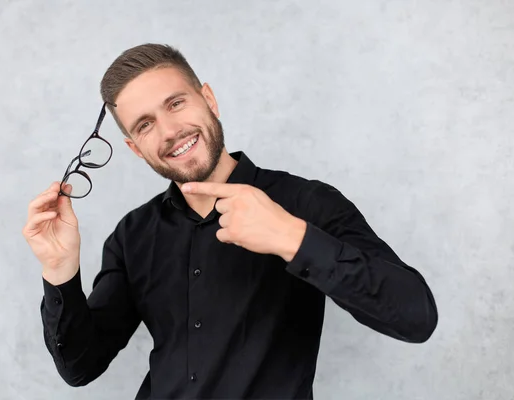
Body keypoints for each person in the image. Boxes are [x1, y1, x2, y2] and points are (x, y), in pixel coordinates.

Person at [22, 43, 438, 399]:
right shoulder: (132, 236)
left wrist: (292, 238)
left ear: (209, 100)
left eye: (176, 103)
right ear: (136, 149)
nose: (168, 131)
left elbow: (415, 316)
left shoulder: (306, 201)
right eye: (145, 125)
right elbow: (80, 367)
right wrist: (59, 271)